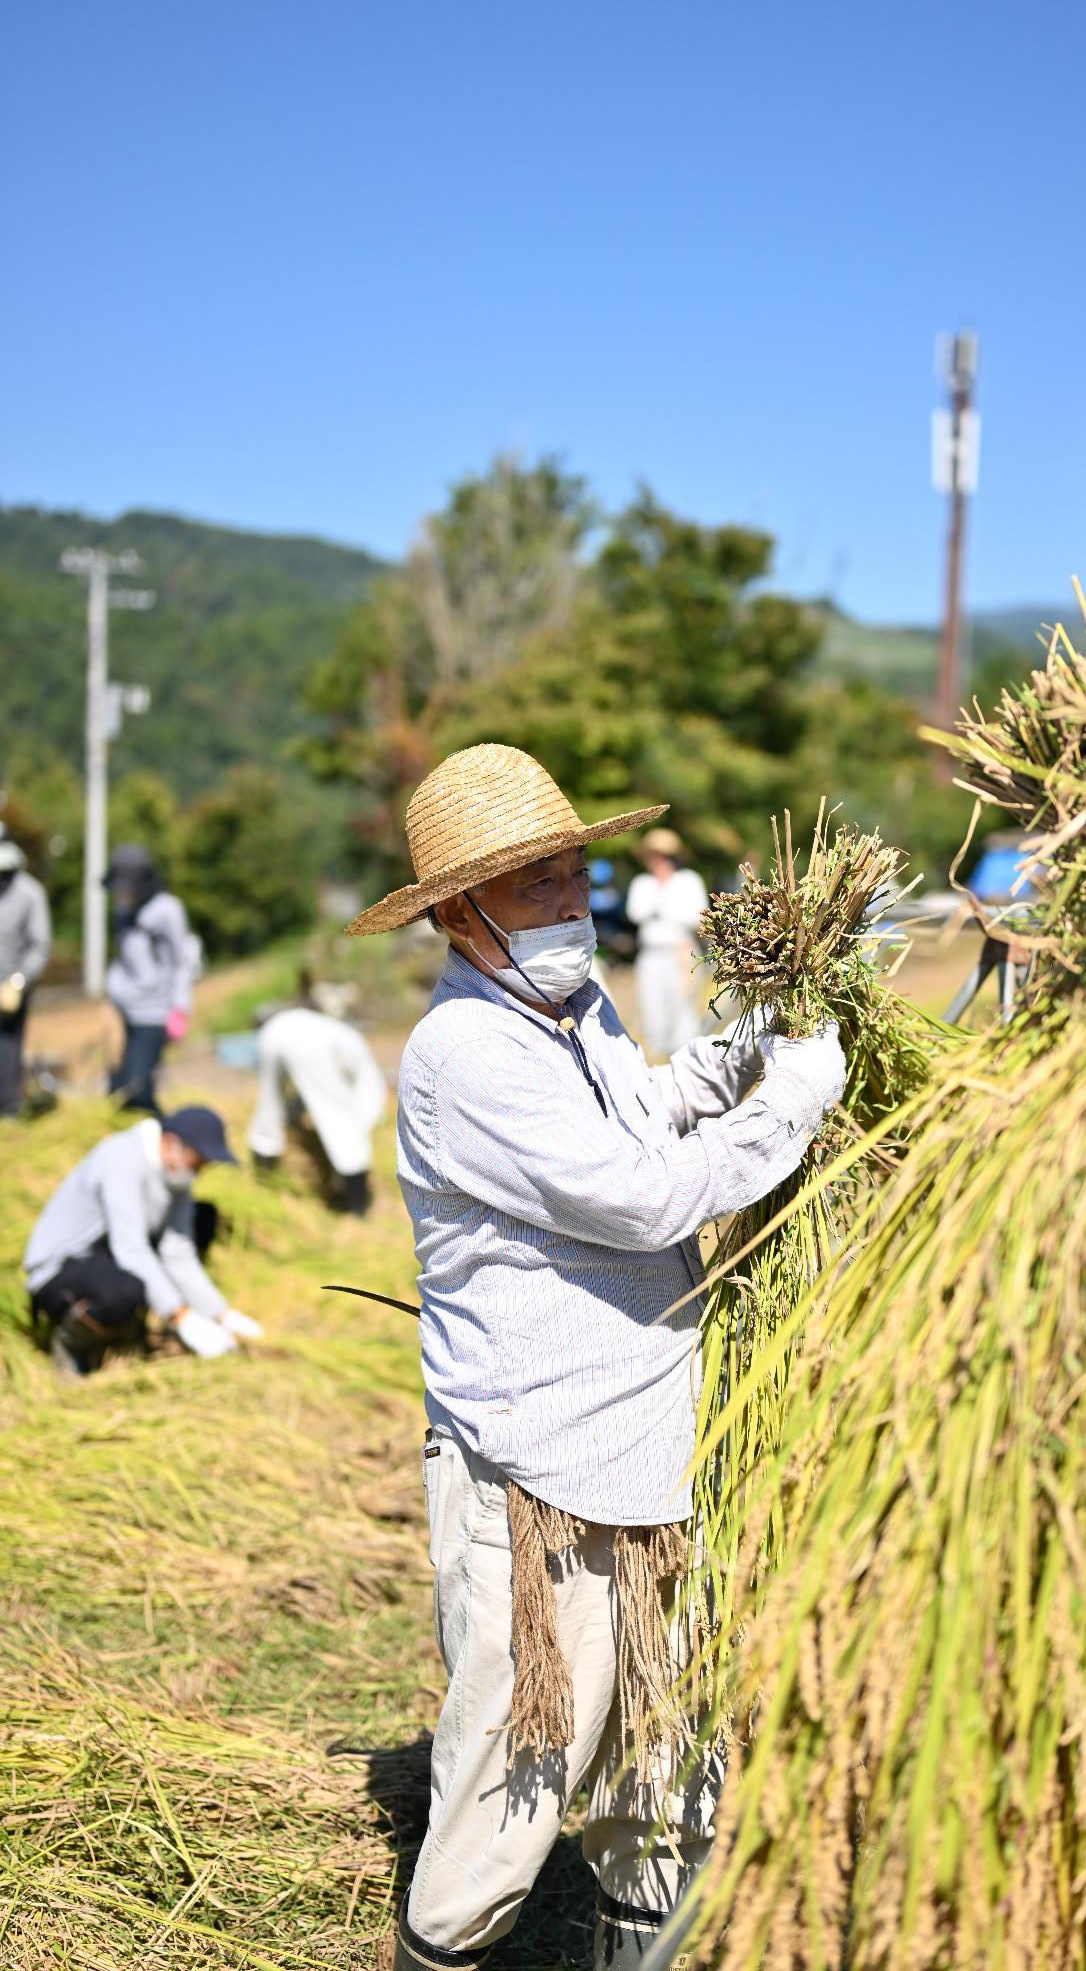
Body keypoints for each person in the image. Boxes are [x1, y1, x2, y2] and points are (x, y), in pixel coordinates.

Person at [346, 742, 845, 1971]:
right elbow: (639, 1196)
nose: (571, 898)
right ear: (460, 914)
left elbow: (649, 1107)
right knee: (515, 1780)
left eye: (576, 869)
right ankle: (443, 1943)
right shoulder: (464, 1055)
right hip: (542, 1471)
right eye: (535, 885)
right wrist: (792, 1109)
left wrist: (757, 1047)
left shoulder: (575, 1007)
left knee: (665, 1765)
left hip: (652, 1445)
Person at [24, 1104, 263, 1377]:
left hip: (107, 1257)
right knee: (125, 1291)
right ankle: (71, 1345)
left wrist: (220, 1313)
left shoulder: (177, 1176)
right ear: (173, 1144)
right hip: (59, 1270)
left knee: (204, 1216)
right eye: (199, 1161)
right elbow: (130, 1247)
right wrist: (181, 1316)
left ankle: (128, 1327)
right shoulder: (121, 1160)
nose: (201, 1170)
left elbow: (177, 1252)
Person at [247, 984, 387, 1213]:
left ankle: (264, 1179)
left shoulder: (339, 1035)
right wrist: (354, 1143)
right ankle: (358, 1207)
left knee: (269, 1106)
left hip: (273, 1032)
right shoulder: (351, 1046)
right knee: (336, 1117)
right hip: (304, 1041)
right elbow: (360, 1105)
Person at [104, 844, 197, 1114]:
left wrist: (180, 1007)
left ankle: (158, 1133)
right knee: (117, 1087)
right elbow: (123, 958)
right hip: (124, 1010)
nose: (123, 894)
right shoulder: (121, 911)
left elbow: (181, 961)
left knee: (139, 1089)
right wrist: (113, 994)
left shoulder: (168, 910)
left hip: (153, 1013)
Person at [625, 828, 709, 1055]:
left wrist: (663, 909)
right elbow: (635, 912)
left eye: (661, 855)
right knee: (652, 1005)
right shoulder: (642, 883)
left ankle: (685, 1053)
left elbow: (698, 916)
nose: (657, 861)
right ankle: (657, 1052)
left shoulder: (688, 881)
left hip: (680, 952)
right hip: (651, 954)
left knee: (683, 1005)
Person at [0, 838, 51, 1117]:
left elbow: (39, 945)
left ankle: (8, 1109)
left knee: (6, 1050)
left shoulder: (31, 894)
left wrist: (17, 981)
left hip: (11, 990)